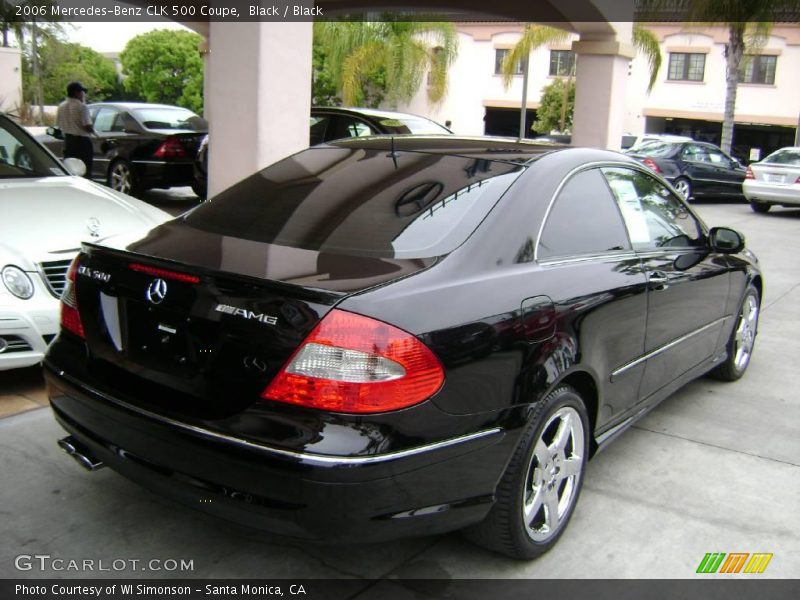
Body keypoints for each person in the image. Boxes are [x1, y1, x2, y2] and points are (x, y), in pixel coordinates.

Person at [55, 82, 95, 177]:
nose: (83, 94)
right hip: (82, 142)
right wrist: (93, 131)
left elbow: (58, 124)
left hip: (68, 141)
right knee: (85, 169)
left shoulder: (61, 106)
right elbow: (87, 125)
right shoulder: (81, 106)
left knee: (70, 168)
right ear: (77, 93)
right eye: (82, 92)